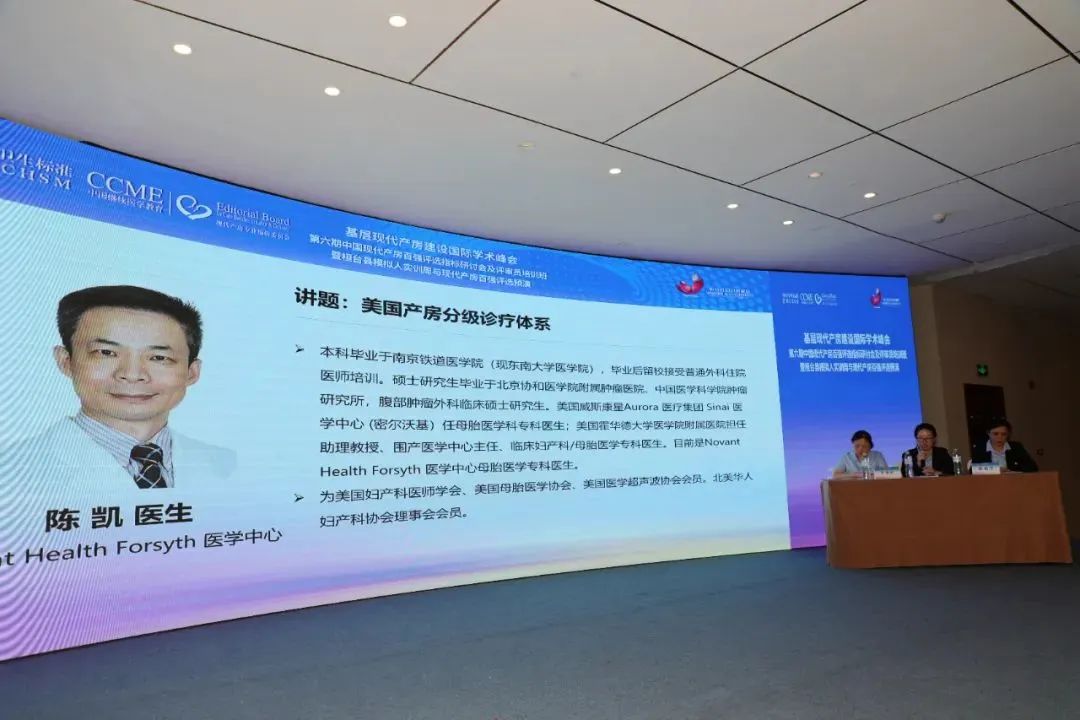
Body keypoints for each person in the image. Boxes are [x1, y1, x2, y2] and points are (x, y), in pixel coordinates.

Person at [9, 285, 235, 491]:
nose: (132, 374)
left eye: (158, 357)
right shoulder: (12, 469)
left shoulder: (226, 464)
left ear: (192, 372)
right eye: (106, 353)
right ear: (65, 361)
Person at [969, 419, 1038, 473]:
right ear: (988, 433)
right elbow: (972, 470)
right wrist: (995, 470)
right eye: (995, 434)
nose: (1000, 437)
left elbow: (1032, 467)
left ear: (1008, 434)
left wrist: (1011, 469)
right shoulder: (980, 448)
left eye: (1003, 434)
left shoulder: (1016, 447)